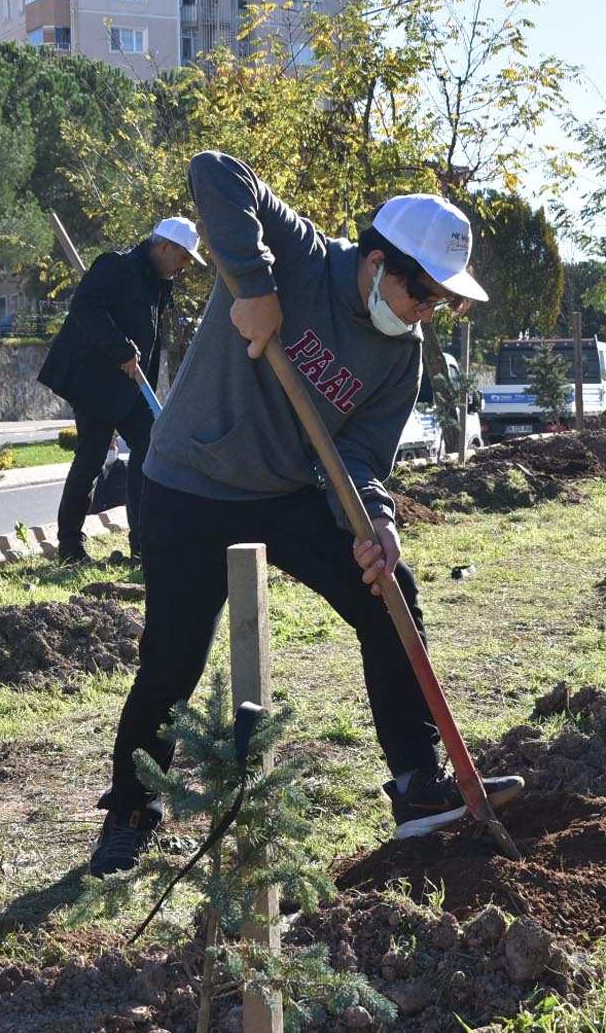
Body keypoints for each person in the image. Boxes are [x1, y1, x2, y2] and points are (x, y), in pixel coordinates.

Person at [88, 151, 523, 877]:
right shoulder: (302, 255)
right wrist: (255, 288)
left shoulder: (400, 354)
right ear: (378, 261)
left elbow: (357, 456)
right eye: (422, 292)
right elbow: (214, 173)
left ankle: (417, 786)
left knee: (390, 595)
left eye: (441, 301)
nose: (426, 311)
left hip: (285, 494)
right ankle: (133, 811)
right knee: (173, 659)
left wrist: (376, 521)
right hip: (188, 480)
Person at [38, 218, 204, 565]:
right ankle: (70, 546)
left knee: (149, 446)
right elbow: (86, 308)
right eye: (185, 257)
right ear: (165, 247)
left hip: (130, 385)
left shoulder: (158, 281)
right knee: (92, 458)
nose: (186, 265)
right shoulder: (116, 265)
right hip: (95, 382)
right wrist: (121, 350)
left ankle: (144, 542)